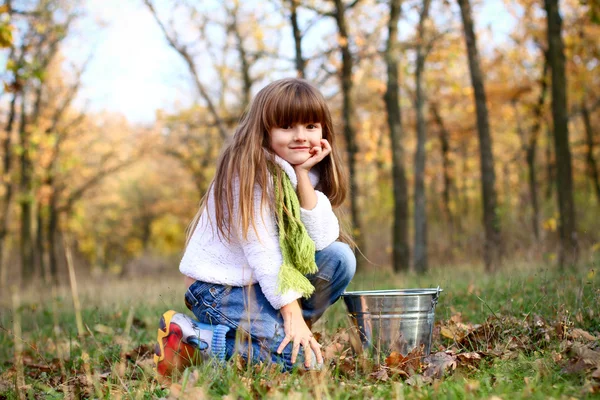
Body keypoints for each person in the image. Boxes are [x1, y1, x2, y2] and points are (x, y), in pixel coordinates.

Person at [154, 78, 356, 377]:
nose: (301, 136)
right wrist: (291, 312)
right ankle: (196, 339)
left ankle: (284, 335)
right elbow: (264, 252)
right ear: (265, 130)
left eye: (311, 126)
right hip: (220, 289)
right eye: (287, 126)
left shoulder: (300, 174)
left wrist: (302, 176)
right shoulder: (249, 173)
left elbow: (322, 241)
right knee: (303, 366)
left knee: (340, 257)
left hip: (262, 288)